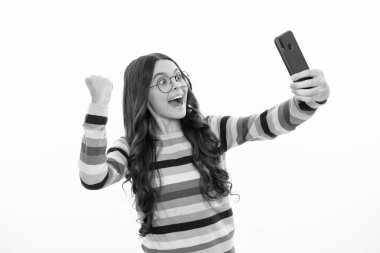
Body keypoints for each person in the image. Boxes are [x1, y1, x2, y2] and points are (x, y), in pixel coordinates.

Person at [78, 52, 330, 252]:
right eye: (163, 82)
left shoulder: (212, 129)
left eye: (178, 77)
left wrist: (308, 101)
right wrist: (98, 105)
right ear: (142, 95)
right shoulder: (130, 146)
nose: (177, 85)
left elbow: (264, 123)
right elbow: (93, 177)